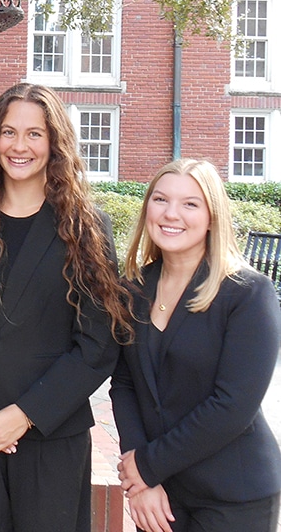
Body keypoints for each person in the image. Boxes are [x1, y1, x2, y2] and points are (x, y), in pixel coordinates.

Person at [0, 83, 133, 532]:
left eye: (35, 134)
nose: (20, 146)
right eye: (9, 132)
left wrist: (24, 414)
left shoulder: (85, 226)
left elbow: (98, 342)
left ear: (55, 144)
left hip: (50, 434)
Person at [110, 158, 281, 532]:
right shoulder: (133, 290)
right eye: (160, 199)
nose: (172, 214)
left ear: (212, 217)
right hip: (162, 495)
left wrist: (147, 466)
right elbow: (124, 383)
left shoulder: (248, 294)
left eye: (190, 203)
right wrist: (143, 478)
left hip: (233, 495)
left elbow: (232, 405)